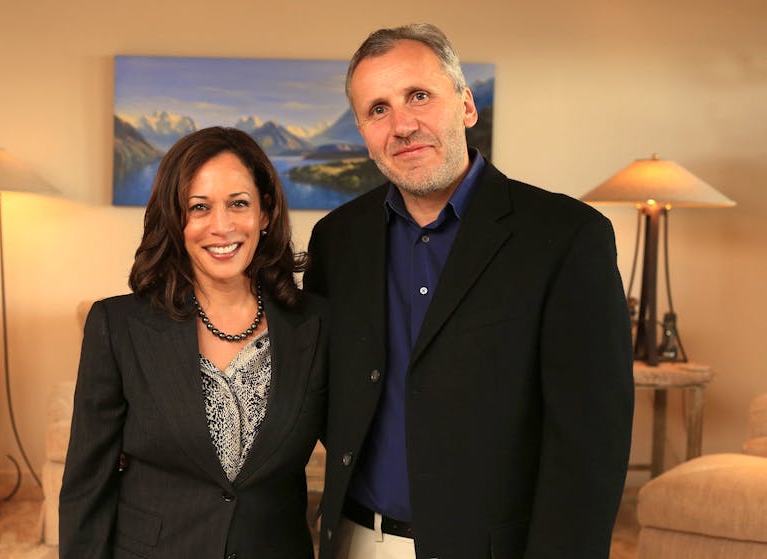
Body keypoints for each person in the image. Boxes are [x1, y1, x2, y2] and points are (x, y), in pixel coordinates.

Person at [303, 23, 634, 559]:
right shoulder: (336, 239)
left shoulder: (567, 237)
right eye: (378, 109)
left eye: (419, 96)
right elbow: (322, 391)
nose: (402, 125)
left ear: (466, 105)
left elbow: (590, 445)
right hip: (354, 540)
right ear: (363, 132)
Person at [59, 126, 329, 558]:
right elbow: (87, 485)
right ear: (175, 218)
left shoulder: (316, 323)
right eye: (199, 207)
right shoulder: (117, 325)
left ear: (265, 212)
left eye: (238, 203)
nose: (221, 226)